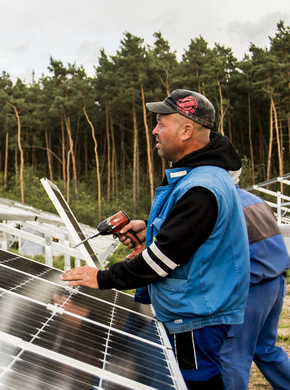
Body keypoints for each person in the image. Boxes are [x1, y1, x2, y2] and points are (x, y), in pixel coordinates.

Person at [61, 89, 249, 389]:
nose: (154, 130)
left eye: (161, 123)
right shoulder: (195, 176)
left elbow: (164, 258)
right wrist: (148, 230)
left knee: (194, 382)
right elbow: (188, 238)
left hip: (194, 318)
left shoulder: (202, 188)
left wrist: (104, 278)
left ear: (187, 130)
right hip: (187, 309)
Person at [219, 180, 290, 389]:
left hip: (252, 287)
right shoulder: (256, 200)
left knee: (233, 356)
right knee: (266, 348)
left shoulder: (224, 203)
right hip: (275, 282)